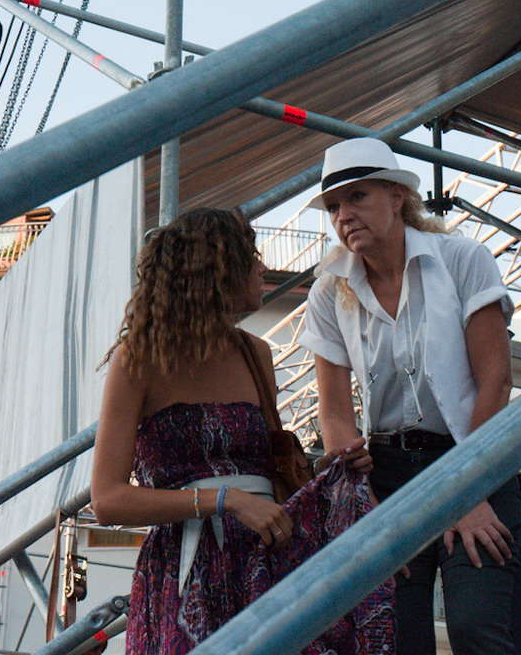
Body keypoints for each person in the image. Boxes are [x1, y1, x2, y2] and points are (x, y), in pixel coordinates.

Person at [90, 208, 394, 654]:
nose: (261, 268)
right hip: (183, 567)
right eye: (249, 257)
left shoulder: (256, 353)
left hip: (264, 558)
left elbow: (272, 467)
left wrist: (331, 470)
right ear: (214, 270)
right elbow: (107, 500)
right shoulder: (136, 358)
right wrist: (224, 500)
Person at [298, 138, 520, 655]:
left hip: (470, 457)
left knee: (476, 627)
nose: (343, 215)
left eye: (357, 197)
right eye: (333, 206)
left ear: (398, 197)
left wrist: (467, 490)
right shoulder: (328, 291)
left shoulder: (462, 258)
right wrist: (365, 500)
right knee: (397, 639)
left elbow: (496, 380)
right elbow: (334, 411)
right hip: (385, 473)